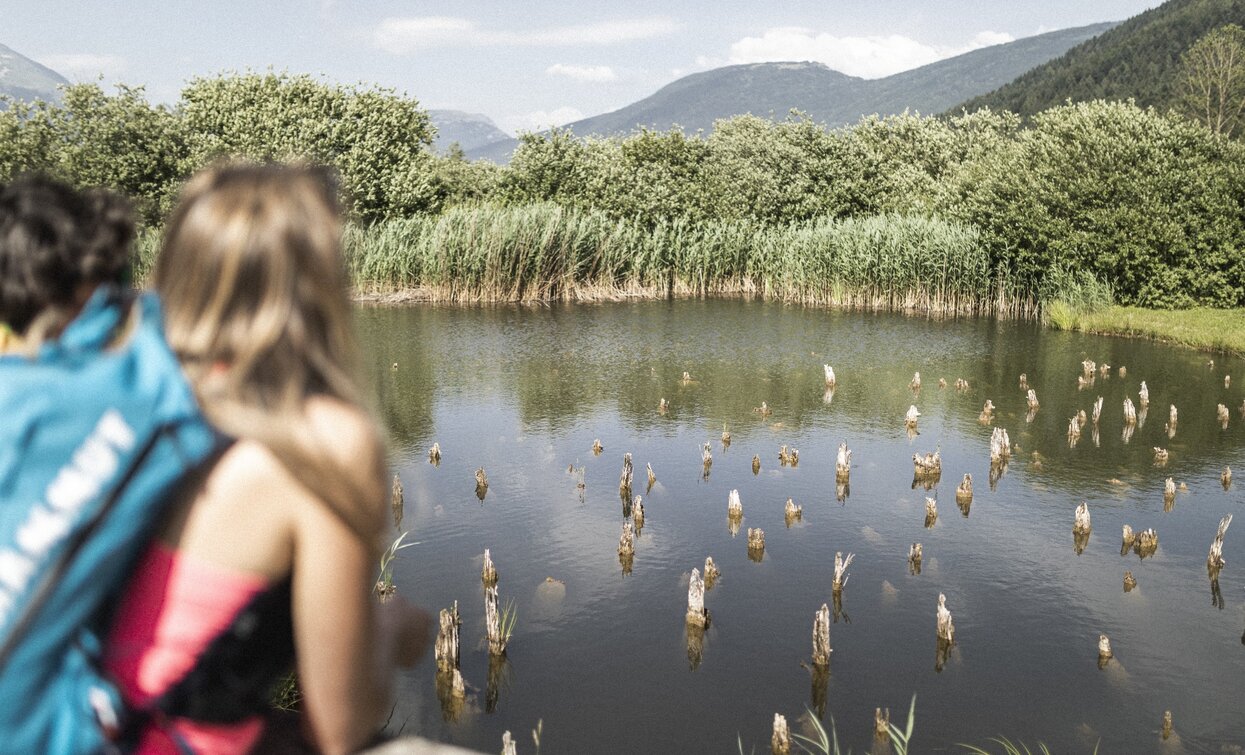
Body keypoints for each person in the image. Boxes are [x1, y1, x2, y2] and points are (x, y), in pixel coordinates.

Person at [100, 163, 431, 754]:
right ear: (317, 282)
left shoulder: (113, 400)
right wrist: (391, 632)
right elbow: (341, 724)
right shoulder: (319, 439)